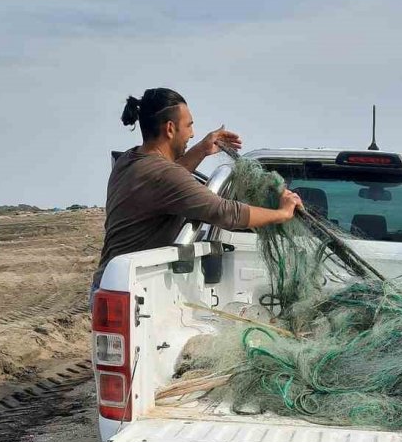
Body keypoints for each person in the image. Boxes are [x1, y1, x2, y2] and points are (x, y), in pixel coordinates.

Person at [92, 88, 301, 295]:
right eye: (189, 125)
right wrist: (281, 214)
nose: (192, 133)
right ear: (170, 129)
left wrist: (202, 149)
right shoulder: (162, 175)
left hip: (111, 283)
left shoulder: (130, 159)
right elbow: (226, 213)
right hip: (130, 289)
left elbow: (170, 181)